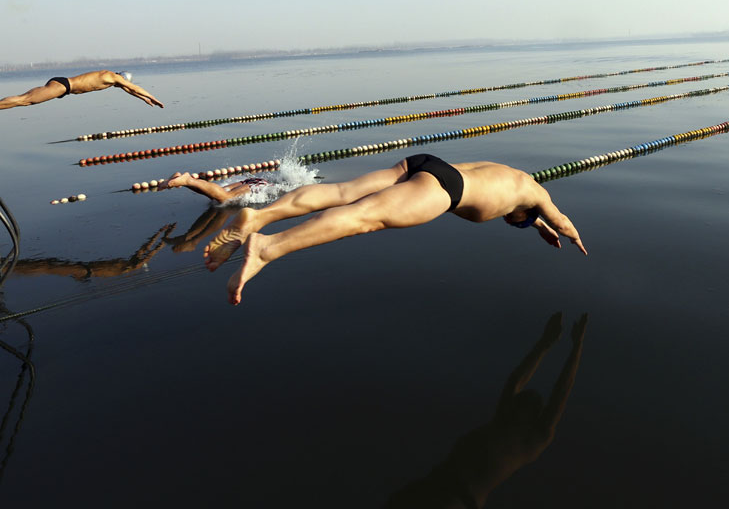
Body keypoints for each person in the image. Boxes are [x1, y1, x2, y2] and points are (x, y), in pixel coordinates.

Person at [203, 154, 588, 304]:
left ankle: (260, 215)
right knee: (363, 217)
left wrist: (536, 225)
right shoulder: (539, 195)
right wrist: (574, 237)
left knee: (342, 191)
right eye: (516, 222)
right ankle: (267, 248)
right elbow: (565, 220)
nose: (509, 221)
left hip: (428, 164)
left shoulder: (516, 180)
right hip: (444, 190)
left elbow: (518, 206)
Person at [385, 311, 588, 509]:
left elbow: (561, 390)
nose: (514, 403)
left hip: (455, 500)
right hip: (434, 487)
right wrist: (545, 343)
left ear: (531, 414)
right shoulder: (505, 421)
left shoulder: (531, 439)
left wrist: (575, 347)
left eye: (520, 403)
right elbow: (517, 381)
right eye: (517, 402)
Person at [0, 70, 163, 110]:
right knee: (26, 99)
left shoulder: (113, 80)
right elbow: (134, 87)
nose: (121, 87)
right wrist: (153, 97)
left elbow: (131, 91)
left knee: (26, 102)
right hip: (63, 86)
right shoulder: (112, 77)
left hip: (63, 86)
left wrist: (144, 99)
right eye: (122, 84)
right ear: (123, 79)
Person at [157, 172, 270, 204]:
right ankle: (188, 180)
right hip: (259, 184)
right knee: (225, 198)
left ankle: (186, 181)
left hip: (252, 181)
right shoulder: (282, 189)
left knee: (217, 194)